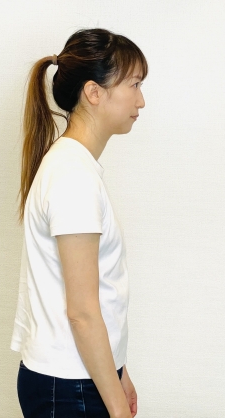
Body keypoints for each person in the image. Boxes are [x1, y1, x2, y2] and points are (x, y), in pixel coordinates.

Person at [11, 28, 147, 418]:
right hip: (70, 386)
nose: (141, 100)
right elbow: (82, 313)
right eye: (134, 84)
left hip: (77, 379)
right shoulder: (73, 177)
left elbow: (97, 295)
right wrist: (116, 408)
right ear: (94, 92)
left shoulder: (74, 167)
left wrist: (119, 371)